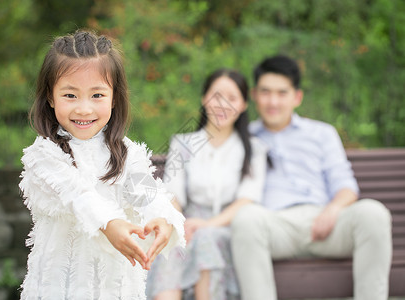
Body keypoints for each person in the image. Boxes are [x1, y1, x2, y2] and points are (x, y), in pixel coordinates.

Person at [18, 30, 185, 300]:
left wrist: (162, 218)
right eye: (70, 96)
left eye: (97, 95)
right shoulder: (43, 155)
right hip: (59, 288)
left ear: (114, 97)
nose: (84, 109)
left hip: (117, 289)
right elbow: (77, 195)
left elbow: (148, 193)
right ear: (50, 97)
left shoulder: (126, 152)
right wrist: (109, 223)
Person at [231, 55, 392, 300]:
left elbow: (346, 186)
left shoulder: (322, 133)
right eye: (265, 92)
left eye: (282, 93)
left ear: (297, 97)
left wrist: (333, 209)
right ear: (254, 95)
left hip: (324, 224)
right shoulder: (243, 138)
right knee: (245, 218)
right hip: (273, 226)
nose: (273, 101)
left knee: (373, 213)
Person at [146, 69, 267, 300]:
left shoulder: (254, 149)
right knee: (172, 240)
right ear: (204, 99)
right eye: (216, 96)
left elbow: (246, 200)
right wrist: (181, 226)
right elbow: (173, 194)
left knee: (206, 237)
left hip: (229, 229)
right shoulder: (184, 143)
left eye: (232, 98)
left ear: (243, 104)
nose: (222, 105)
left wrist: (207, 225)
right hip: (189, 223)